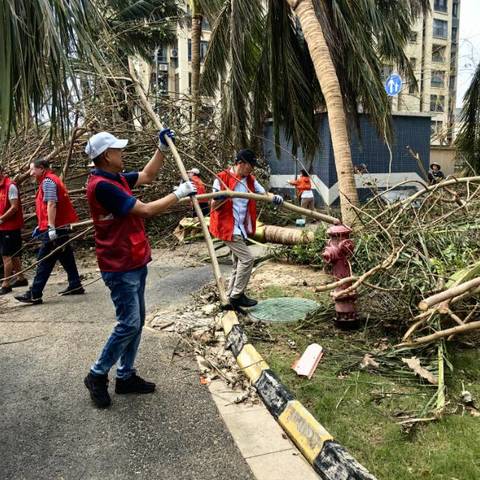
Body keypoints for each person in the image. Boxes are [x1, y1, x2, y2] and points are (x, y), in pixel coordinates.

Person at [83, 129, 196, 408]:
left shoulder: (115, 177)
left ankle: (125, 376)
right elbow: (145, 210)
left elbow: (147, 175)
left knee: (137, 322)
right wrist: (178, 194)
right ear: (107, 156)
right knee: (129, 323)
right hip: (119, 264)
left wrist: (162, 149)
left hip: (134, 259)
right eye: (118, 150)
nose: (123, 153)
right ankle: (97, 374)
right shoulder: (102, 186)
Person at [210, 149, 283, 310]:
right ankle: (237, 296)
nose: (252, 169)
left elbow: (264, 194)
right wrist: (220, 197)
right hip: (227, 227)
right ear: (240, 163)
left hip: (241, 227)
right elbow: (212, 205)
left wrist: (274, 198)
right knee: (247, 259)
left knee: (238, 263)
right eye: (250, 166)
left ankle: (230, 298)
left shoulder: (250, 180)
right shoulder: (221, 178)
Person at [15, 159, 83, 305]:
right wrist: (41, 225)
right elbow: (46, 206)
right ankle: (75, 284)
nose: (31, 173)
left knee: (44, 260)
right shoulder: (51, 180)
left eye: (32, 169)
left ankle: (35, 293)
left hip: (55, 228)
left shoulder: (48, 182)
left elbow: (52, 204)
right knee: (66, 255)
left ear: (41, 169)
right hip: (57, 226)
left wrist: (50, 227)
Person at [0, 166, 28, 294]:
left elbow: (14, 207)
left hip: (9, 227)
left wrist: (2, 219)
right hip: (3, 226)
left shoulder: (10, 186)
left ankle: (6, 283)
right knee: (14, 254)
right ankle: (21, 278)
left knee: (6, 255)